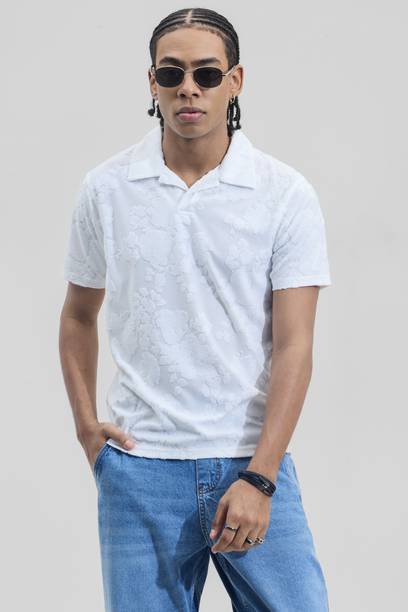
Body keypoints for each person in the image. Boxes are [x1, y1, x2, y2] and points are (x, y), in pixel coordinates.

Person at [59, 7, 332, 611]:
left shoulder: (284, 194)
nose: (189, 88)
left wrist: (260, 476)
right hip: (139, 471)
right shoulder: (106, 189)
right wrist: (86, 428)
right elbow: (78, 314)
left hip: (250, 461)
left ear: (235, 81)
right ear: (151, 82)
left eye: (207, 74)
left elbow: (295, 345)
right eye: (172, 73)